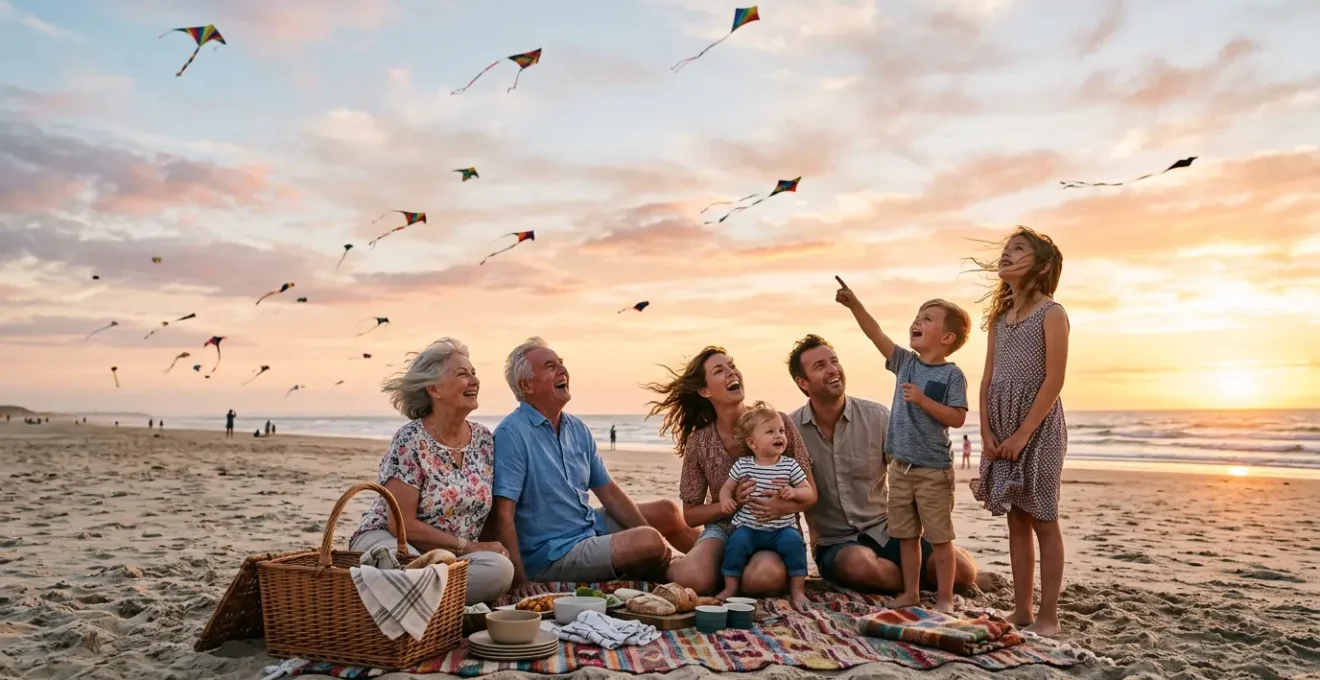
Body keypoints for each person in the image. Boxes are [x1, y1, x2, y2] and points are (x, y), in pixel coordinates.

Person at [786, 334, 982, 600]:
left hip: (888, 529)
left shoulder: (877, 417)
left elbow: (910, 470)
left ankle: (928, 575)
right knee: (860, 566)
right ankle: (922, 581)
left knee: (962, 573)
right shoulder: (791, 431)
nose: (832, 369)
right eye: (820, 366)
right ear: (803, 382)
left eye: (834, 361)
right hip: (836, 542)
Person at [491, 337, 694, 586]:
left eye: (560, 363)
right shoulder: (511, 434)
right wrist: (521, 581)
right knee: (649, 542)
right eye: (549, 366)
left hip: (588, 526)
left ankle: (719, 560)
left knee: (667, 511)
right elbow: (502, 515)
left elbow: (609, 491)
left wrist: (647, 534)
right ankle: (690, 575)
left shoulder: (576, 428)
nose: (562, 369)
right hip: (553, 553)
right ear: (527, 385)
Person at [835, 278, 971, 611]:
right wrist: (855, 305)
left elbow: (957, 418)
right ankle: (911, 592)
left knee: (939, 538)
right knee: (906, 536)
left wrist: (923, 400)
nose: (917, 321)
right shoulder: (906, 363)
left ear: (947, 338)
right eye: (917, 316)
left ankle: (944, 599)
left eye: (927, 318)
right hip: (900, 469)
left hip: (933, 471)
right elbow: (876, 334)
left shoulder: (952, 375)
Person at [349, 337, 514, 605]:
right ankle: (429, 604)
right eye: (462, 374)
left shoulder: (484, 439)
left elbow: (487, 515)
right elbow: (400, 523)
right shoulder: (411, 439)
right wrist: (468, 547)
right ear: (434, 390)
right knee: (398, 567)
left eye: (474, 373)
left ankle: (409, 602)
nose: (474, 380)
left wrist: (482, 549)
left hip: (448, 559)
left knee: (500, 570)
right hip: (394, 543)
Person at [645, 346, 816, 596]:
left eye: (732, 365)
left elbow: (811, 494)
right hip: (724, 528)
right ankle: (673, 562)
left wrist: (781, 506)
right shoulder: (700, 442)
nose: (731, 372)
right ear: (705, 391)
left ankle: (733, 571)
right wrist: (732, 503)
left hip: (776, 527)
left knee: (762, 581)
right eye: (719, 370)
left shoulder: (778, 423)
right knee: (694, 580)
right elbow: (691, 515)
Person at [969, 227, 1070, 637]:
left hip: (1038, 426)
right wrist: (988, 431)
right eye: (1006, 249)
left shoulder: (1052, 312)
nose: (1006, 254)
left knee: (1042, 517)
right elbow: (988, 378)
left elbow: (1054, 380)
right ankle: (1023, 610)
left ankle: (1049, 615)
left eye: (1018, 249)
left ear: (1042, 265)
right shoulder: (1000, 319)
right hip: (1002, 422)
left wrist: (1023, 434)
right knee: (1016, 519)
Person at [716, 402, 814, 608]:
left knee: (795, 543)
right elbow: (726, 487)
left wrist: (794, 491)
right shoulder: (743, 465)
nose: (779, 436)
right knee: (735, 544)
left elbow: (809, 491)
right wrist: (726, 500)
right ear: (752, 443)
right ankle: (731, 586)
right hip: (749, 527)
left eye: (781, 430)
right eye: (770, 432)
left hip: (781, 528)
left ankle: (798, 591)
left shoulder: (789, 465)